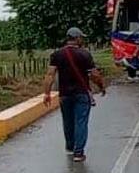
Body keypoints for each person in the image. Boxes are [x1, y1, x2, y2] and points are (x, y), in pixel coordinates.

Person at [43, 27, 107, 163]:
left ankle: (70, 147)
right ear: (77, 38)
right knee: (81, 122)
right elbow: (94, 75)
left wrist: (46, 93)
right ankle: (78, 153)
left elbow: (50, 75)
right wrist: (101, 87)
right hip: (81, 94)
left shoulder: (56, 55)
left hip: (64, 95)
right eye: (81, 37)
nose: (82, 39)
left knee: (67, 121)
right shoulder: (84, 54)